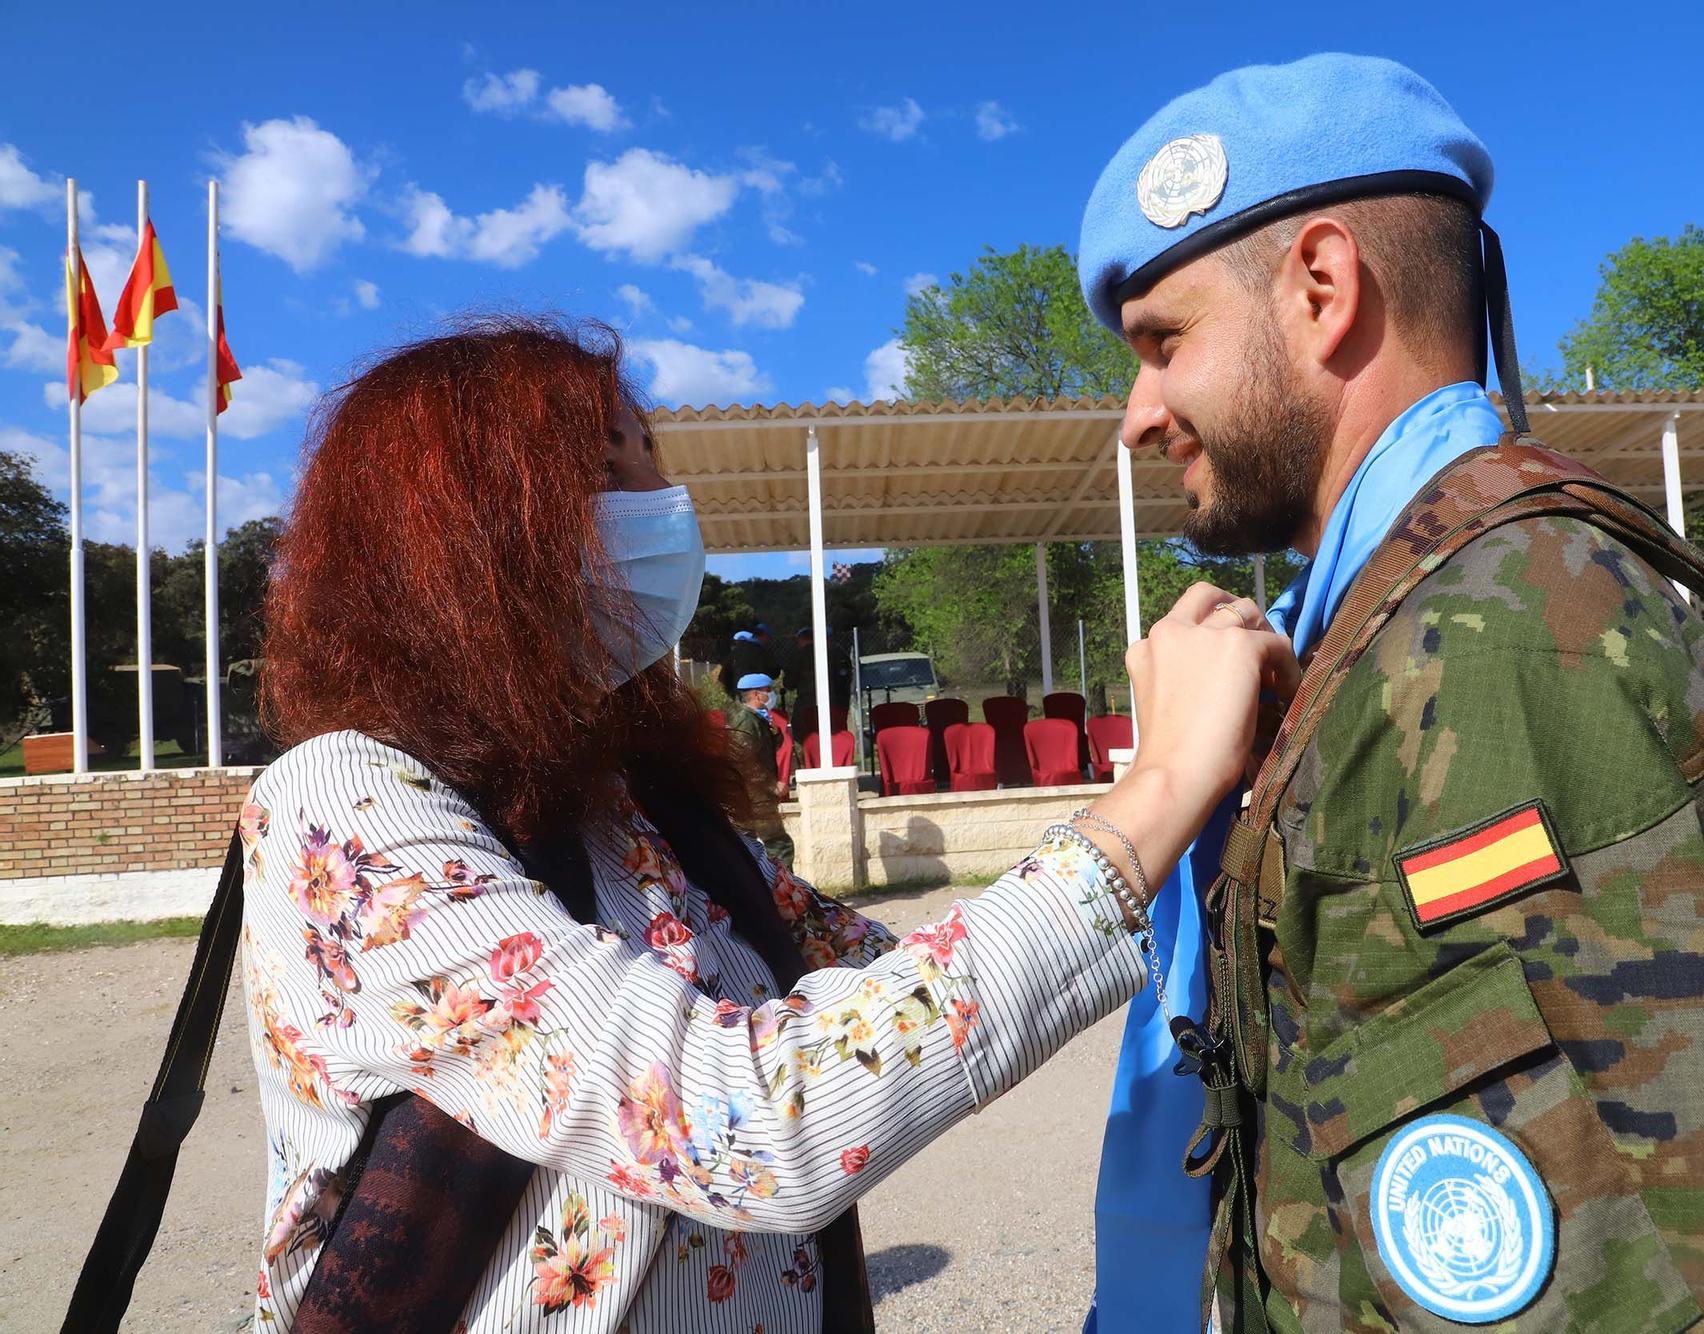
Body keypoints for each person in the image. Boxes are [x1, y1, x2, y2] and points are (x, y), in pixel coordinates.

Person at [239, 316, 1295, 1330]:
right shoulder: (346, 800)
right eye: (616, 468)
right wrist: (1157, 784)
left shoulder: (633, 808)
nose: (665, 497)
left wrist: (1203, 820)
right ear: (475, 533)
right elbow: (750, 1114)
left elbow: (904, 984)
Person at [1078, 55, 1704, 1330]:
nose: (1135, 414)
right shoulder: (1400, 620)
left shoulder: (1490, 645)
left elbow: (1598, 1285)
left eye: (1163, 343)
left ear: (1323, 290)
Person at [725, 670, 794, 864]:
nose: (771, 695)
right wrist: (771, 785)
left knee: (748, 844)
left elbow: (775, 745)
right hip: (755, 793)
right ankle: (784, 890)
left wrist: (773, 731)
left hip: (753, 793)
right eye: (768, 690)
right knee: (779, 846)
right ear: (756, 694)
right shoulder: (746, 720)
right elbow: (743, 760)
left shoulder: (757, 718)